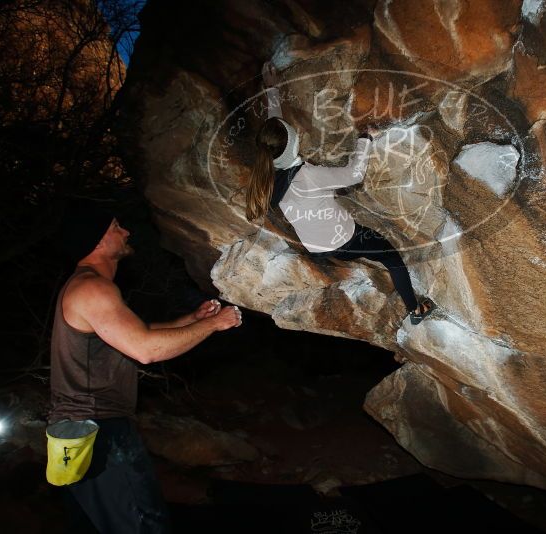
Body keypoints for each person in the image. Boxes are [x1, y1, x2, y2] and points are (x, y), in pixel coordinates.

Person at [49, 202, 243, 533]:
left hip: (78, 432)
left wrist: (192, 320)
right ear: (97, 240)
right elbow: (146, 350)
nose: (126, 231)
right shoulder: (92, 289)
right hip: (100, 432)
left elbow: (142, 333)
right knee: (142, 524)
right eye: (115, 227)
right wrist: (215, 324)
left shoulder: (86, 286)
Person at [245, 61, 436, 325]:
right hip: (345, 240)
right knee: (391, 257)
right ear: (292, 143)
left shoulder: (269, 167)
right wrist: (365, 139)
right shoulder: (307, 176)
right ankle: (415, 311)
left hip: (318, 247)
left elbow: (274, 127)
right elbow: (354, 174)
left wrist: (272, 90)